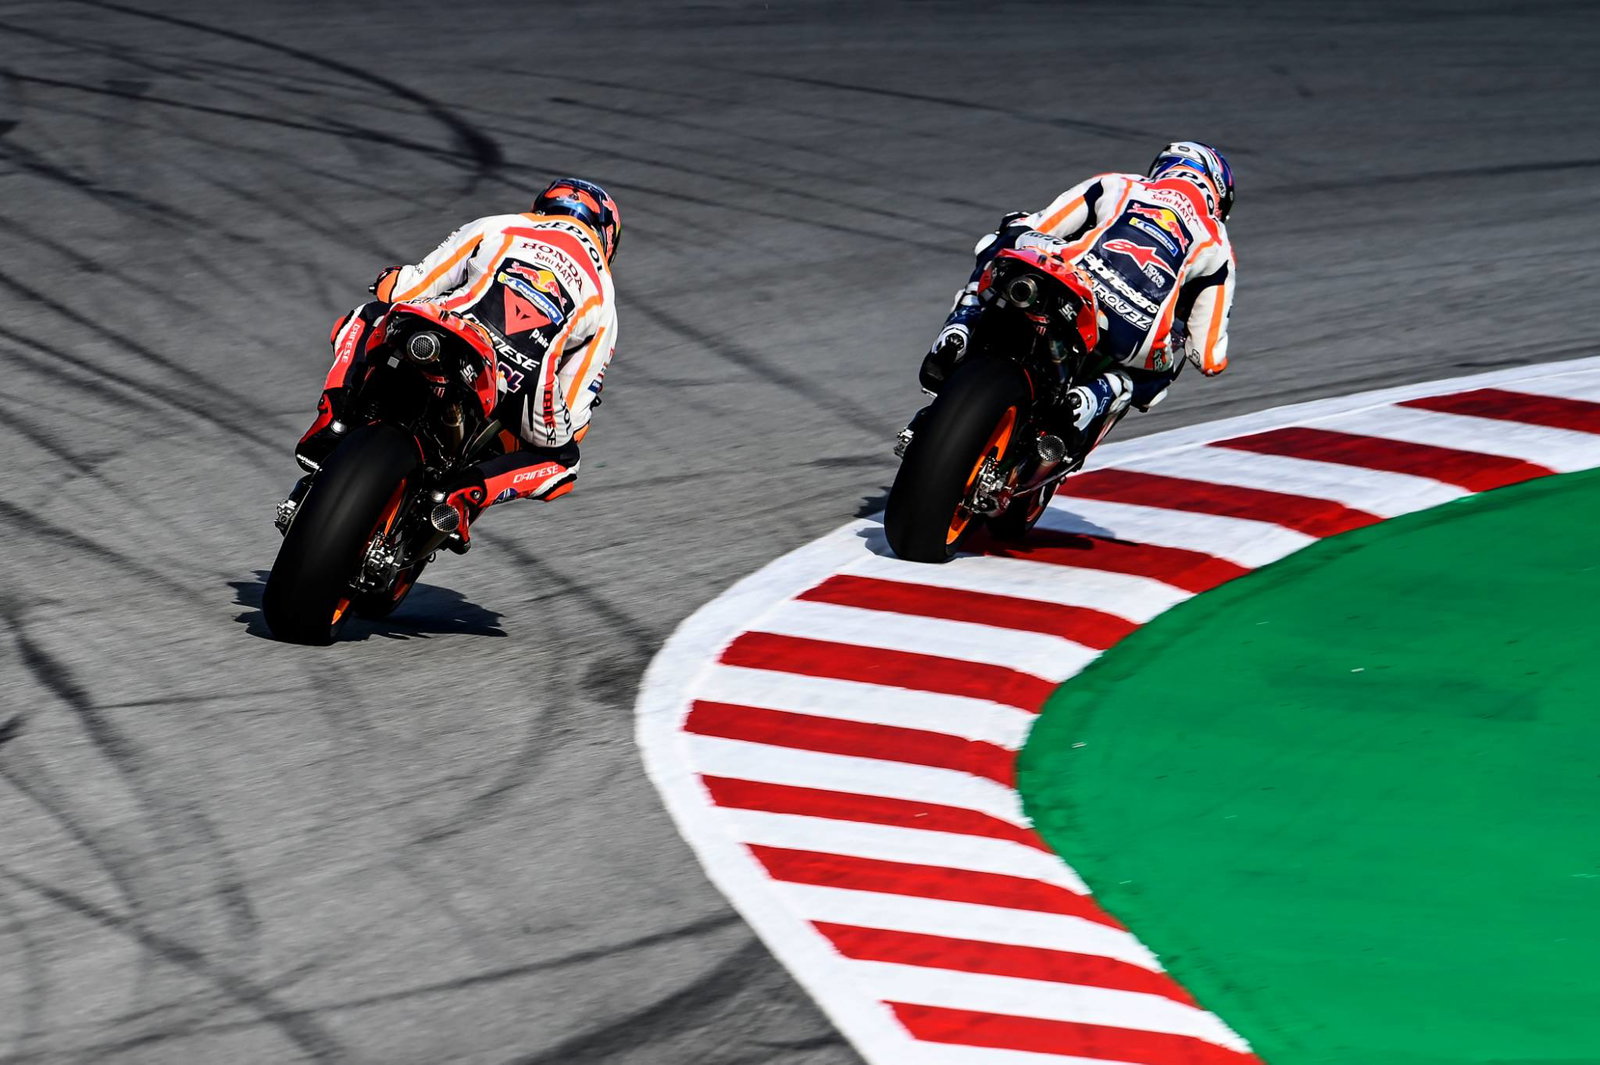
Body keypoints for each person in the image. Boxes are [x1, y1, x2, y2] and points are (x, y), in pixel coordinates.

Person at [294, 178, 620, 544]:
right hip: (520, 379)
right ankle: (462, 495)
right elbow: (576, 411)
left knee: (368, 315)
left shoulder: (501, 224)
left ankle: (334, 417)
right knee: (563, 461)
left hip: (450, 328)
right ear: (607, 239)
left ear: (543, 205)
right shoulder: (603, 296)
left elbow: (410, 288)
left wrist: (389, 280)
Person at [920, 141, 1235, 440]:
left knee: (1002, 238)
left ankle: (960, 328)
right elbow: (1208, 356)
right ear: (1218, 196)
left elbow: (1042, 225)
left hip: (1075, 280)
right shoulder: (1217, 243)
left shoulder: (1121, 183)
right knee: (1159, 374)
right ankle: (1090, 397)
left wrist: (1022, 233)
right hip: (1132, 334)